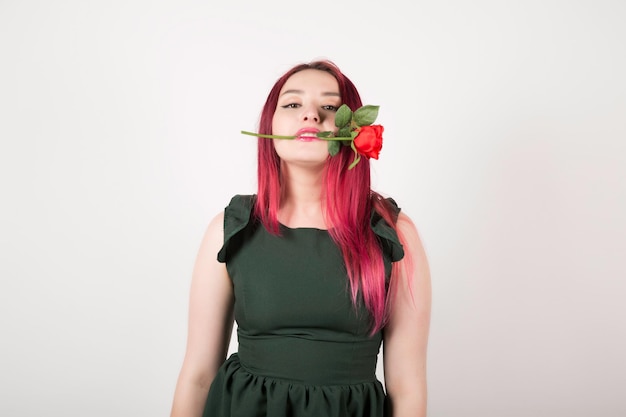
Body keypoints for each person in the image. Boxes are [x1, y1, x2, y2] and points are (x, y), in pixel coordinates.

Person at [170, 59, 431, 417]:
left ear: (354, 130)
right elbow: (198, 376)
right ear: (270, 124)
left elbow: (407, 387)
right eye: (292, 104)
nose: (310, 116)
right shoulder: (230, 228)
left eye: (329, 107)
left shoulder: (393, 233)